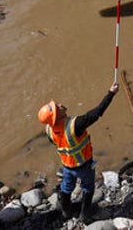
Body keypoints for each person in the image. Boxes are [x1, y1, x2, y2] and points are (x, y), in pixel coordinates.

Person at [38, 82, 120, 223]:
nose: (61, 105)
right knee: (88, 188)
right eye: (58, 108)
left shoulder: (49, 130)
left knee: (66, 187)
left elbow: (57, 143)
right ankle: (84, 215)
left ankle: (66, 211)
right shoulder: (75, 125)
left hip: (67, 166)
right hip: (84, 165)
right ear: (57, 117)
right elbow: (98, 112)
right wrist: (111, 93)